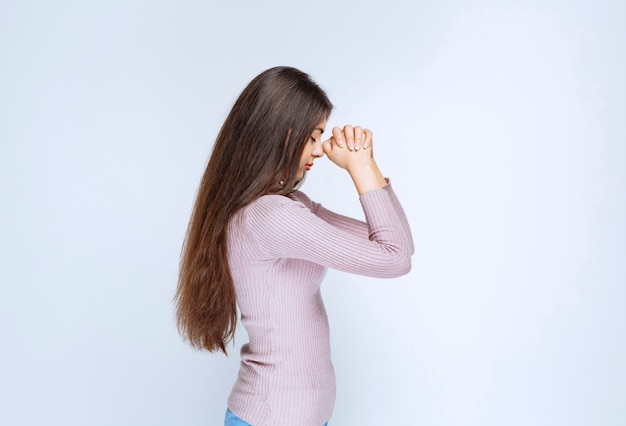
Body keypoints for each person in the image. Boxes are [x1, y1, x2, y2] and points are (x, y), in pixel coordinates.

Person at [175, 66, 414, 426]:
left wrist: (369, 166)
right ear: (283, 133)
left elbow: (398, 246)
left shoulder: (287, 206)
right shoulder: (271, 217)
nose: (319, 150)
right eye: (313, 136)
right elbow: (394, 258)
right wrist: (360, 166)